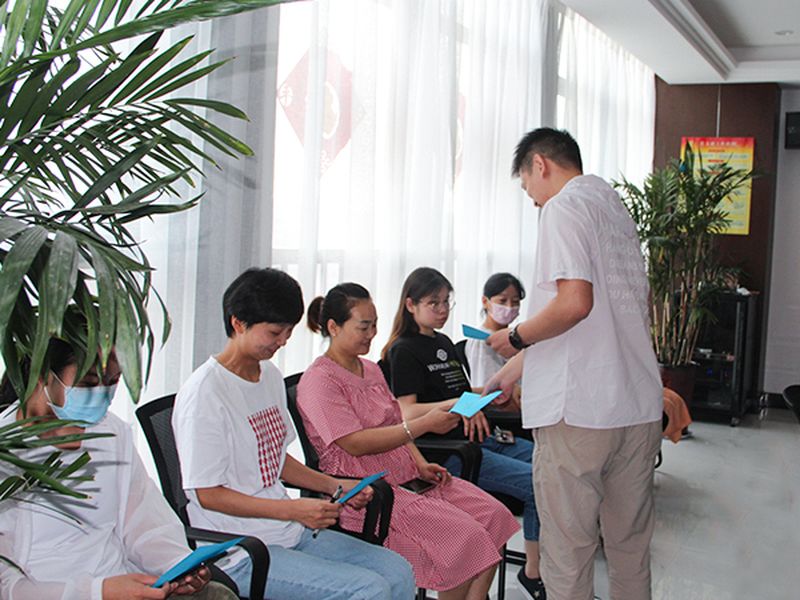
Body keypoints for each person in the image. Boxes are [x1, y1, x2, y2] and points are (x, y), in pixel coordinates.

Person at [485, 127, 663, 600]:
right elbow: (603, 321)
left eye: (529, 189)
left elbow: (574, 304)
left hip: (580, 411)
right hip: (635, 404)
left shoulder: (563, 207)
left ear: (539, 164)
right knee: (629, 546)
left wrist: (516, 336)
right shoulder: (614, 210)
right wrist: (509, 372)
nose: (534, 202)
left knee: (568, 552)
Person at [172, 268, 415, 600]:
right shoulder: (205, 393)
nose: (283, 341)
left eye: (288, 331)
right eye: (275, 332)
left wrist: (334, 485)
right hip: (240, 551)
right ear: (238, 323)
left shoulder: (269, 376)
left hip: (287, 532)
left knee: (398, 571)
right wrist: (293, 510)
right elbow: (207, 494)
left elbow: (275, 460)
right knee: (368, 589)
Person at [298, 283, 520, 599]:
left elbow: (394, 421)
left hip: (408, 476)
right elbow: (353, 443)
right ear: (334, 327)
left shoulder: (370, 370)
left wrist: (421, 463)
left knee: (494, 517)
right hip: (370, 490)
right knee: (464, 538)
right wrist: (422, 426)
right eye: (363, 326)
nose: (372, 334)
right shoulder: (320, 381)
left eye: (374, 325)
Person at [0, 340, 233, 600]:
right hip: (54, 593)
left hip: (123, 584)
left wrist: (177, 566)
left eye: (112, 382)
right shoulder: (6, 453)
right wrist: (98, 592)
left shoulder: (111, 432)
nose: (101, 395)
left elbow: (144, 524)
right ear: (43, 374)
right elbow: (7, 586)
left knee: (217, 594)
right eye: (89, 383)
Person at [381, 266, 546, 599]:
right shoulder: (404, 350)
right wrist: (459, 404)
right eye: (434, 303)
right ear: (410, 305)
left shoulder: (442, 342)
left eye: (447, 302)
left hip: (477, 437)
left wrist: (488, 392)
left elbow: (459, 393)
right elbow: (407, 412)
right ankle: (534, 571)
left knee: (548, 464)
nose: (442, 310)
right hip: (448, 450)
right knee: (537, 483)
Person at [464, 273, 526, 403]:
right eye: (502, 301)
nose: (509, 307)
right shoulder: (481, 341)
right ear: (485, 302)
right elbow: (487, 390)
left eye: (515, 302)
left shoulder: (516, 337)